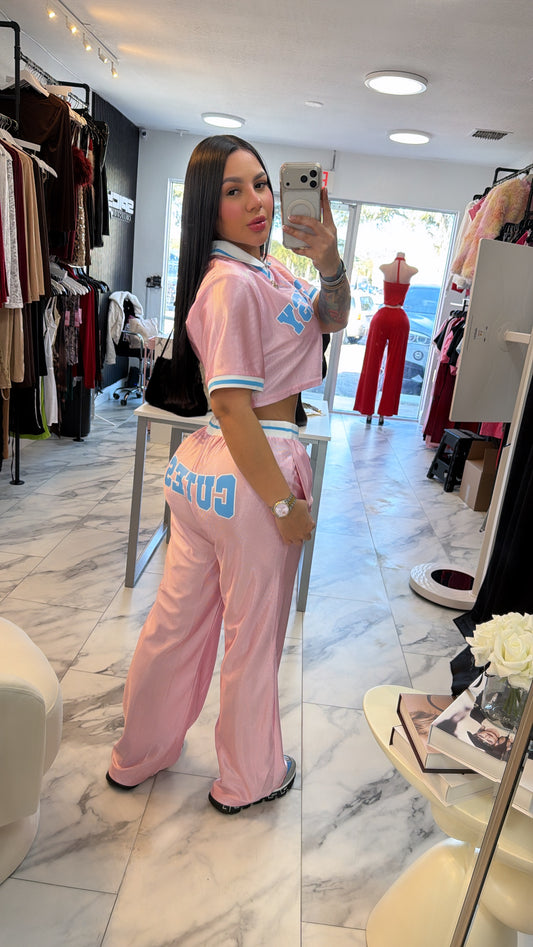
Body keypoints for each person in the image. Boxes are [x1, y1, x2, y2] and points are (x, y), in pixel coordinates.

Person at [107, 135, 350, 814]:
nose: (256, 201)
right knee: (252, 638)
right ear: (208, 210)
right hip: (252, 466)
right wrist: (285, 506)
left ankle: (139, 754)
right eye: (233, 191)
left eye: (261, 184)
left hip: (207, 474)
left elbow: (331, 319)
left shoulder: (266, 272)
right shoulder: (232, 285)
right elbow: (233, 407)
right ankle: (249, 777)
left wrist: (329, 260)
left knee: (176, 626)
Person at [353, 252, 418, 424]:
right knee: (395, 365)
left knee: (371, 362)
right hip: (400, 319)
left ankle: (367, 409)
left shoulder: (385, 268)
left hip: (382, 317)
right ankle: (384, 412)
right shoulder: (411, 270)